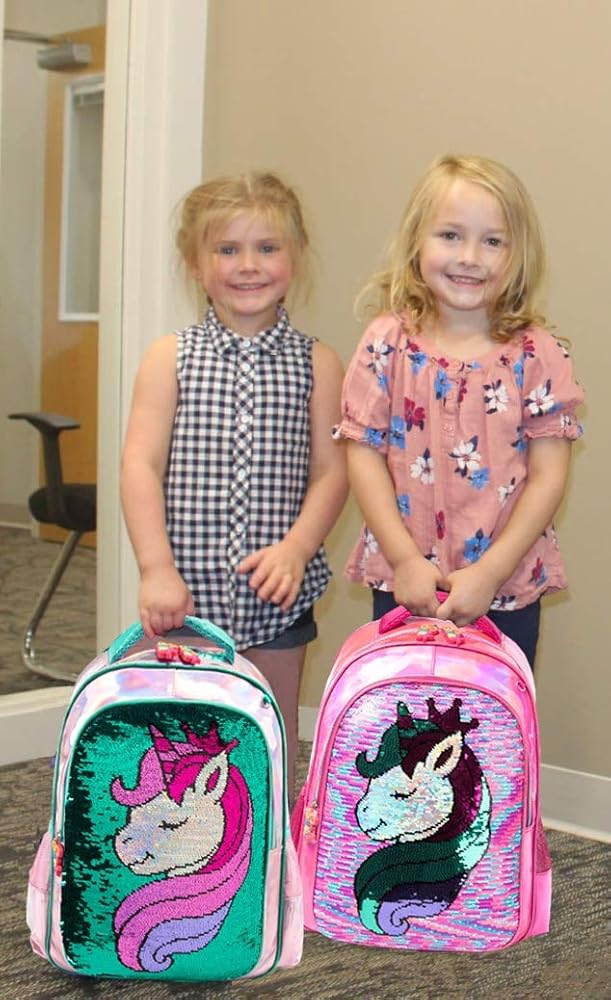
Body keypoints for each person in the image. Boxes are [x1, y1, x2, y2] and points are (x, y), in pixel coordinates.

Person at [121, 171, 348, 793]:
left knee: (269, 734)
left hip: (276, 600)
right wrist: (155, 568)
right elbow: (139, 466)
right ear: (197, 264)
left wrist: (297, 548)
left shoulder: (319, 363)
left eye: (267, 248)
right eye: (227, 249)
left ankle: (269, 847)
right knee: (173, 738)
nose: (248, 265)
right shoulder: (169, 358)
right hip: (182, 598)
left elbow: (333, 472)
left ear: (295, 257)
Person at [334, 154, 583, 669]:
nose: (470, 257)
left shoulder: (536, 354)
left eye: (493, 242)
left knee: (492, 712)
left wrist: (490, 572)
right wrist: (404, 559)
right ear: (417, 242)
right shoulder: (387, 342)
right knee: (401, 709)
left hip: (504, 588)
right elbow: (363, 454)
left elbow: (548, 477)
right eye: (450, 235)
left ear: (519, 254)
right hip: (407, 581)